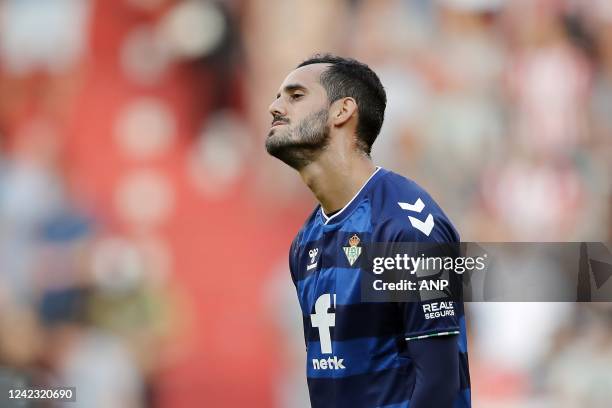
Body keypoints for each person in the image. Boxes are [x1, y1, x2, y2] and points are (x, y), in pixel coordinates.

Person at [266, 54, 470, 408]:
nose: (274, 107)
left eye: (295, 96)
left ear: (342, 111)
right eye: (278, 97)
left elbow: (438, 385)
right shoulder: (306, 241)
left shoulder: (404, 228)